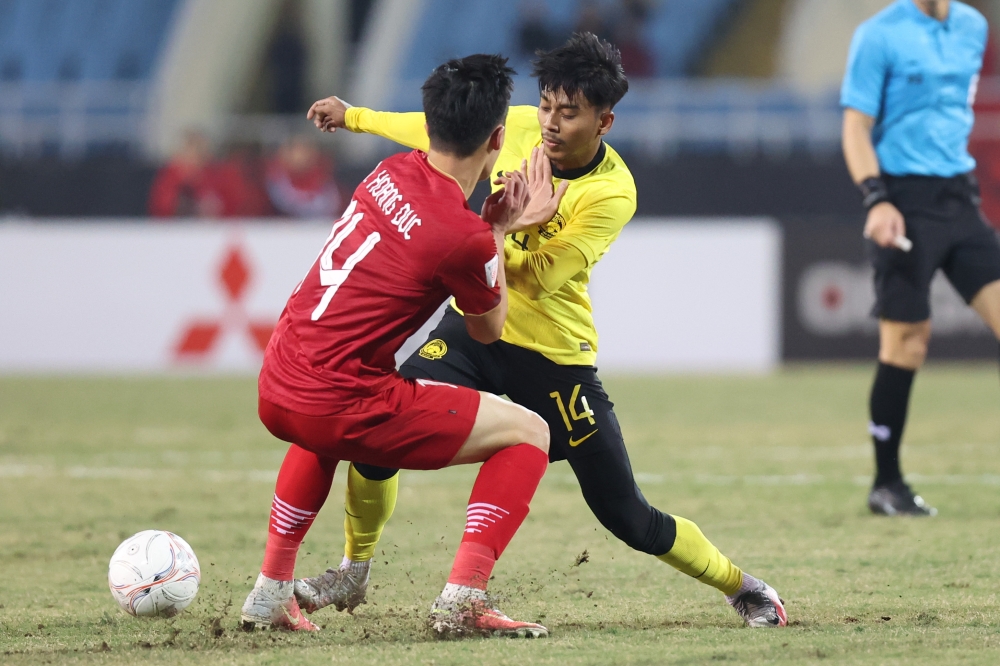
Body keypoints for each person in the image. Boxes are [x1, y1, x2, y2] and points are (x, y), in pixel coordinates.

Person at [300, 33, 788, 628]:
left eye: (570, 112)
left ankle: (745, 586)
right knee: (375, 436)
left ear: (605, 120)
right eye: (548, 105)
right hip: (475, 329)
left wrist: (492, 231)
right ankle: (354, 570)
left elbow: (541, 280)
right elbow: (437, 132)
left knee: (626, 515)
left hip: (552, 356)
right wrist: (354, 116)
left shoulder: (612, 193)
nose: (551, 123)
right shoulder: (521, 125)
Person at [240, 54, 553, 639]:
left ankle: (270, 592)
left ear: (429, 124)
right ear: (498, 137)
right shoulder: (465, 238)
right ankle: (462, 599)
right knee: (530, 433)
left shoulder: (387, 171)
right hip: (340, 400)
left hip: (279, 377)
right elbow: (488, 330)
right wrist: (500, 233)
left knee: (320, 427)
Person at [841, 0, 1000, 516]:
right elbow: (856, 127)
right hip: (901, 202)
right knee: (907, 344)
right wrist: (876, 198)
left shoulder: (974, 27)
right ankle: (887, 483)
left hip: (959, 197)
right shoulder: (878, 35)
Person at [265, 136, 344, 218]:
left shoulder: (324, 176)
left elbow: (332, 204)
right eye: (296, 151)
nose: (301, 156)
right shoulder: (274, 177)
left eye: (305, 150)